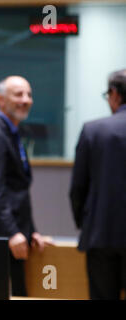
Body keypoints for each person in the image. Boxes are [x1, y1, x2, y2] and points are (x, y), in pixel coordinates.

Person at [0, 75, 53, 296]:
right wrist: (13, 232)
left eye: (29, 94)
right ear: (1, 100)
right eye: (18, 94)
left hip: (13, 237)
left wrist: (31, 231)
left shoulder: (13, 133)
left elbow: (17, 191)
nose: (26, 99)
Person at [69, 69, 126, 300]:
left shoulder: (93, 130)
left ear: (113, 94)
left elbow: (77, 189)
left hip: (101, 235)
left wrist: (86, 223)